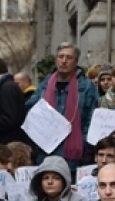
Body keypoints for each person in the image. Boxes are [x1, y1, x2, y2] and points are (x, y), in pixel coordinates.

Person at [26, 43, 98, 173]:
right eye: (61, 57)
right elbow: (30, 111)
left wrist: (84, 142)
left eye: (69, 58)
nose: (64, 61)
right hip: (45, 152)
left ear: (76, 62)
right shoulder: (45, 85)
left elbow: (92, 119)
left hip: (73, 155)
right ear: (56, 60)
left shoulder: (86, 87)